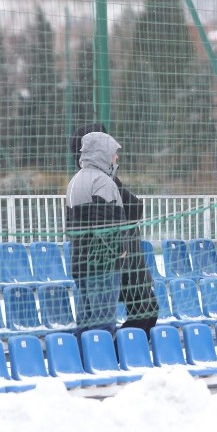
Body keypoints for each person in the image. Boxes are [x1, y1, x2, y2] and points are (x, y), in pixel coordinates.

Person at [68, 123, 158, 334]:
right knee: (104, 322)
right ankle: (108, 357)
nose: (115, 155)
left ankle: (108, 355)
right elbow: (106, 224)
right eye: (111, 149)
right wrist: (118, 251)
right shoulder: (101, 181)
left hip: (99, 261)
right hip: (107, 262)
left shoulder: (87, 179)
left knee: (94, 320)